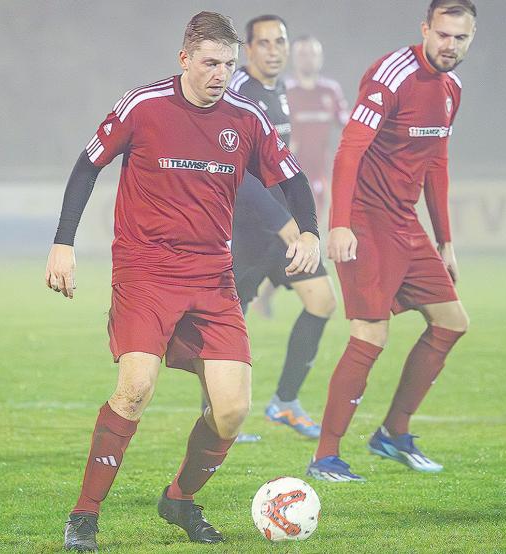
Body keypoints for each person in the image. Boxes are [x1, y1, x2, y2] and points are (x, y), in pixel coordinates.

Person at [46, 12, 320, 551]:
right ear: (185, 59)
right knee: (136, 387)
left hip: (211, 275)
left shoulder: (245, 118)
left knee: (232, 410)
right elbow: (87, 166)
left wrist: (309, 231)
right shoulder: (144, 106)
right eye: (211, 63)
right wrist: (63, 243)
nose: (221, 74)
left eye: (228, 64)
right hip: (145, 268)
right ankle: (84, 515)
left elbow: (294, 179)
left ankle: (179, 499)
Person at [306, 0, 477, 483]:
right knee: (370, 333)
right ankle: (325, 456)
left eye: (460, 38)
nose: (450, 45)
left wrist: (445, 241)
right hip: (365, 219)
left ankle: (393, 433)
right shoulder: (391, 74)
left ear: (470, 39)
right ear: (425, 29)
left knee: (451, 321)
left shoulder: (452, 89)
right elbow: (349, 150)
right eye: (443, 34)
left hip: (404, 221)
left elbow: (436, 163)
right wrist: (339, 223)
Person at [219, 14, 336, 442]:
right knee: (231, 323)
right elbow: (234, 171)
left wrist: (299, 218)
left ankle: (284, 402)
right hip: (247, 231)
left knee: (322, 301)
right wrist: (280, 219)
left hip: (282, 230)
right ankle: (217, 413)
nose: (273, 50)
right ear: (247, 50)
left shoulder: (277, 90)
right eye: (263, 43)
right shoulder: (240, 95)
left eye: (279, 42)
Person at [286, 35, 350, 224]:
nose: (309, 58)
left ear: (321, 58)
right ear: (294, 58)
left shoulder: (330, 90)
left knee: (315, 223)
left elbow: (347, 122)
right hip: (290, 171)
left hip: (320, 169)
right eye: (303, 54)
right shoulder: (284, 90)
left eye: (313, 54)